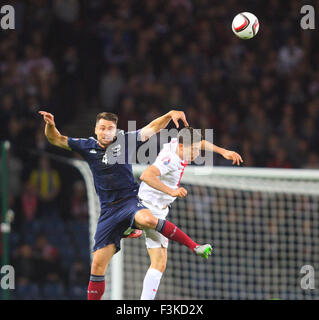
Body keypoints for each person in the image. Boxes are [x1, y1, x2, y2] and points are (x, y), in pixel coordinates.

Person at [39, 109, 212, 300]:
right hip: (108, 211)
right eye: (102, 128)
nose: (106, 132)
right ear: (96, 129)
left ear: (116, 130)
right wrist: (50, 125)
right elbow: (56, 139)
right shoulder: (87, 146)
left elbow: (153, 128)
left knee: (147, 219)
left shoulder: (126, 140)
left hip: (130, 200)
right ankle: (130, 230)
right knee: (97, 266)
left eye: (110, 128)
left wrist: (169, 115)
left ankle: (193, 245)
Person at [138, 126, 243, 299]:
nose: (196, 152)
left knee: (159, 262)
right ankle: (133, 228)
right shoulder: (169, 159)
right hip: (149, 206)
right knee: (159, 260)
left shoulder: (179, 143)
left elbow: (200, 142)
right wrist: (171, 191)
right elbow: (146, 175)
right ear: (181, 147)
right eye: (193, 150)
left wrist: (223, 151)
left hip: (159, 208)